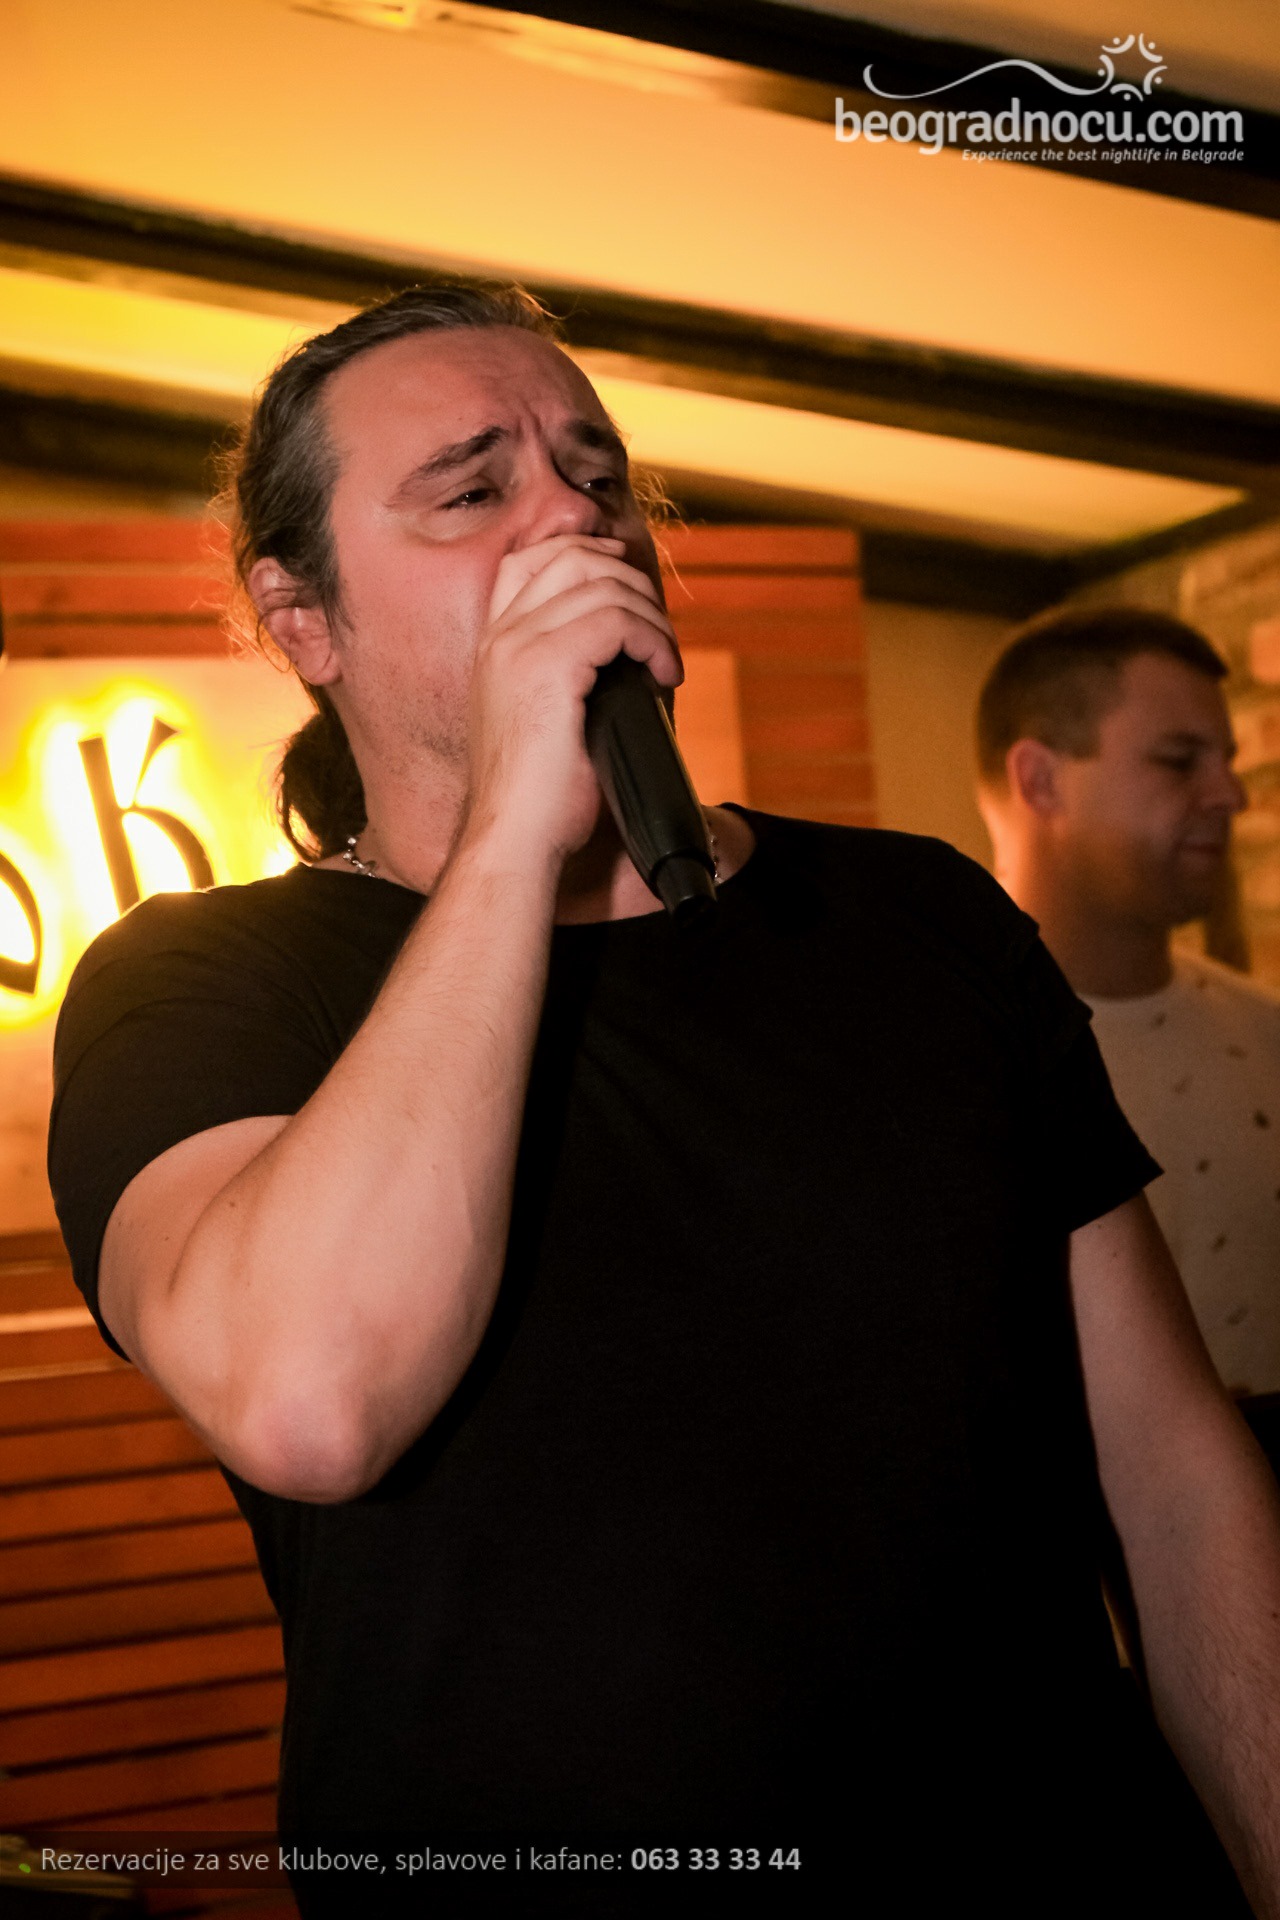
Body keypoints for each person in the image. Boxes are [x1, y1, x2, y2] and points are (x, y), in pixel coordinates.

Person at [47, 288, 1280, 1918]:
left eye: (598, 476)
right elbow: (310, 1403)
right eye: (473, 491)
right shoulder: (204, 983)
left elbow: (1170, 1469)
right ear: (302, 619)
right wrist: (515, 828)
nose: (575, 520)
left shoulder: (918, 917)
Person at [976, 609, 1280, 1448]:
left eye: (1228, 761)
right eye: (1180, 761)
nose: (1230, 795)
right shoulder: (938, 1058)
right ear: (1041, 781)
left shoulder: (1269, 1032)